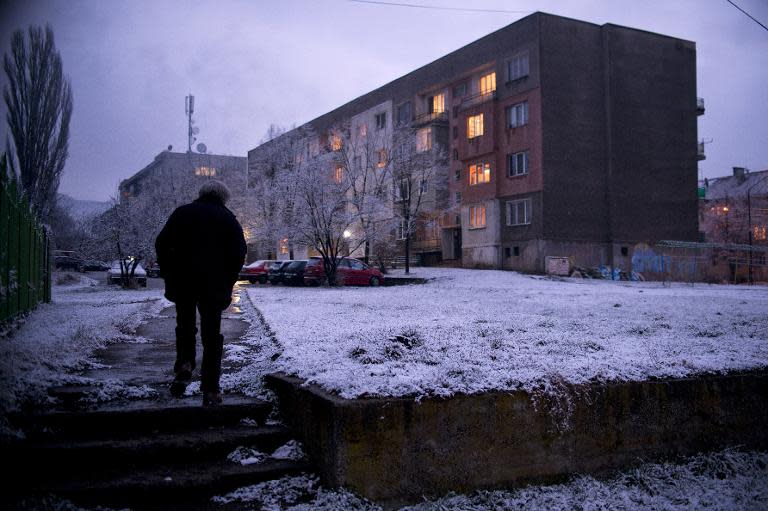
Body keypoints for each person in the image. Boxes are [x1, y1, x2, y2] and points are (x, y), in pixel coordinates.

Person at [155, 180, 246, 406]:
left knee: (185, 325)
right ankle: (211, 389)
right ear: (223, 198)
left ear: (202, 193)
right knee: (212, 335)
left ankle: (185, 362)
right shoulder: (228, 219)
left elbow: (161, 243)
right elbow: (239, 253)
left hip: (183, 281)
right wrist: (228, 280)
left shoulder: (182, 213)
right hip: (213, 285)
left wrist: (169, 272)